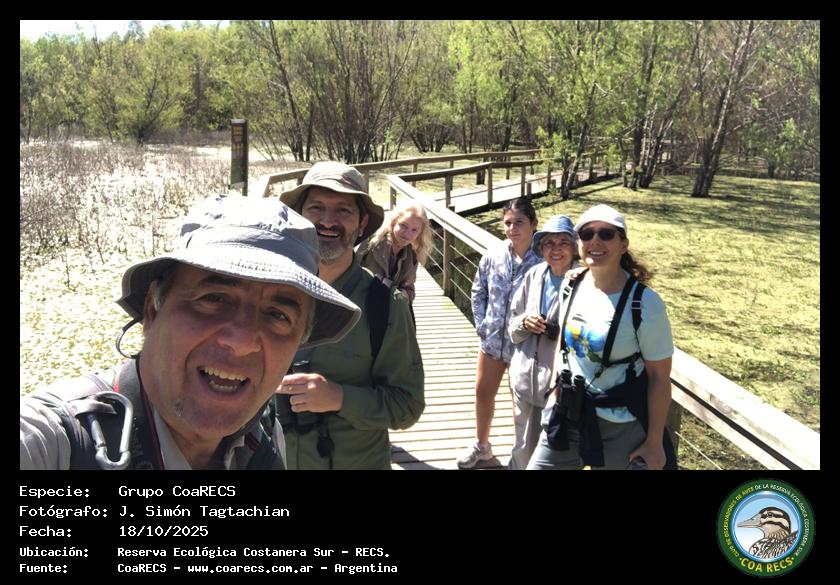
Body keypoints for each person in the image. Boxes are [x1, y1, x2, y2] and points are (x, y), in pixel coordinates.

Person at [20, 194, 361, 470]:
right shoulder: (54, 444)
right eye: (214, 299)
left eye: (277, 315)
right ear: (153, 309)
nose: (242, 341)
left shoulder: (262, 432)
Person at [278, 161, 424, 469]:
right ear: (298, 216)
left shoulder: (386, 306)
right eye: (316, 208)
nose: (327, 221)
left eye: (343, 210)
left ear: (362, 224)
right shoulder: (266, 293)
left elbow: (407, 405)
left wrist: (339, 398)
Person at [527, 204, 676, 470]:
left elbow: (659, 378)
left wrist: (654, 442)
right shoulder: (571, 284)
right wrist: (552, 394)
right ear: (579, 243)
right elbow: (564, 346)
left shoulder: (644, 304)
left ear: (623, 244)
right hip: (567, 413)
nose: (595, 241)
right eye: (587, 234)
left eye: (606, 234)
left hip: (619, 426)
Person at [457, 197, 541, 469]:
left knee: (521, 404)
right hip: (492, 342)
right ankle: (482, 447)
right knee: (483, 392)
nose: (512, 228)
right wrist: (482, 325)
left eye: (519, 222)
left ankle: (521, 459)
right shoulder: (494, 255)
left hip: (525, 346)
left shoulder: (543, 260)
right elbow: (478, 290)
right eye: (508, 223)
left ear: (533, 224)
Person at [507, 215, 579, 469]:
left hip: (560, 390)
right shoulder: (534, 275)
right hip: (525, 380)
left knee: (552, 455)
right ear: (541, 248)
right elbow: (512, 327)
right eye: (549, 243)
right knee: (522, 448)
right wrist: (525, 323)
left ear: (574, 247)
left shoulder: (584, 281)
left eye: (563, 242)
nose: (556, 249)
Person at [356, 201, 432, 305]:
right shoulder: (371, 241)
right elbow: (348, 270)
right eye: (403, 225)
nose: (407, 234)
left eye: (414, 230)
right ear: (393, 222)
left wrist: (403, 295)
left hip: (388, 307)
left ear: (420, 233)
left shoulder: (412, 255)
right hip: (360, 302)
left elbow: (410, 289)